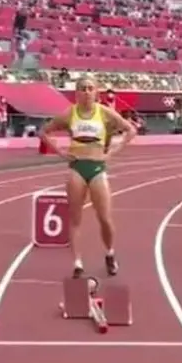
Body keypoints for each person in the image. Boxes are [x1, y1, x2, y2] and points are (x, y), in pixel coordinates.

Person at [40, 76, 136, 278]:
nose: (86, 92)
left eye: (90, 88)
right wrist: (61, 152)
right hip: (76, 167)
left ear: (96, 92)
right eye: (82, 88)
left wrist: (112, 153)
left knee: (105, 219)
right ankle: (77, 263)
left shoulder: (104, 112)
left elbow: (130, 130)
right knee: (75, 219)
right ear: (77, 92)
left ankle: (110, 253)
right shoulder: (69, 113)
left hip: (97, 168)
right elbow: (45, 132)